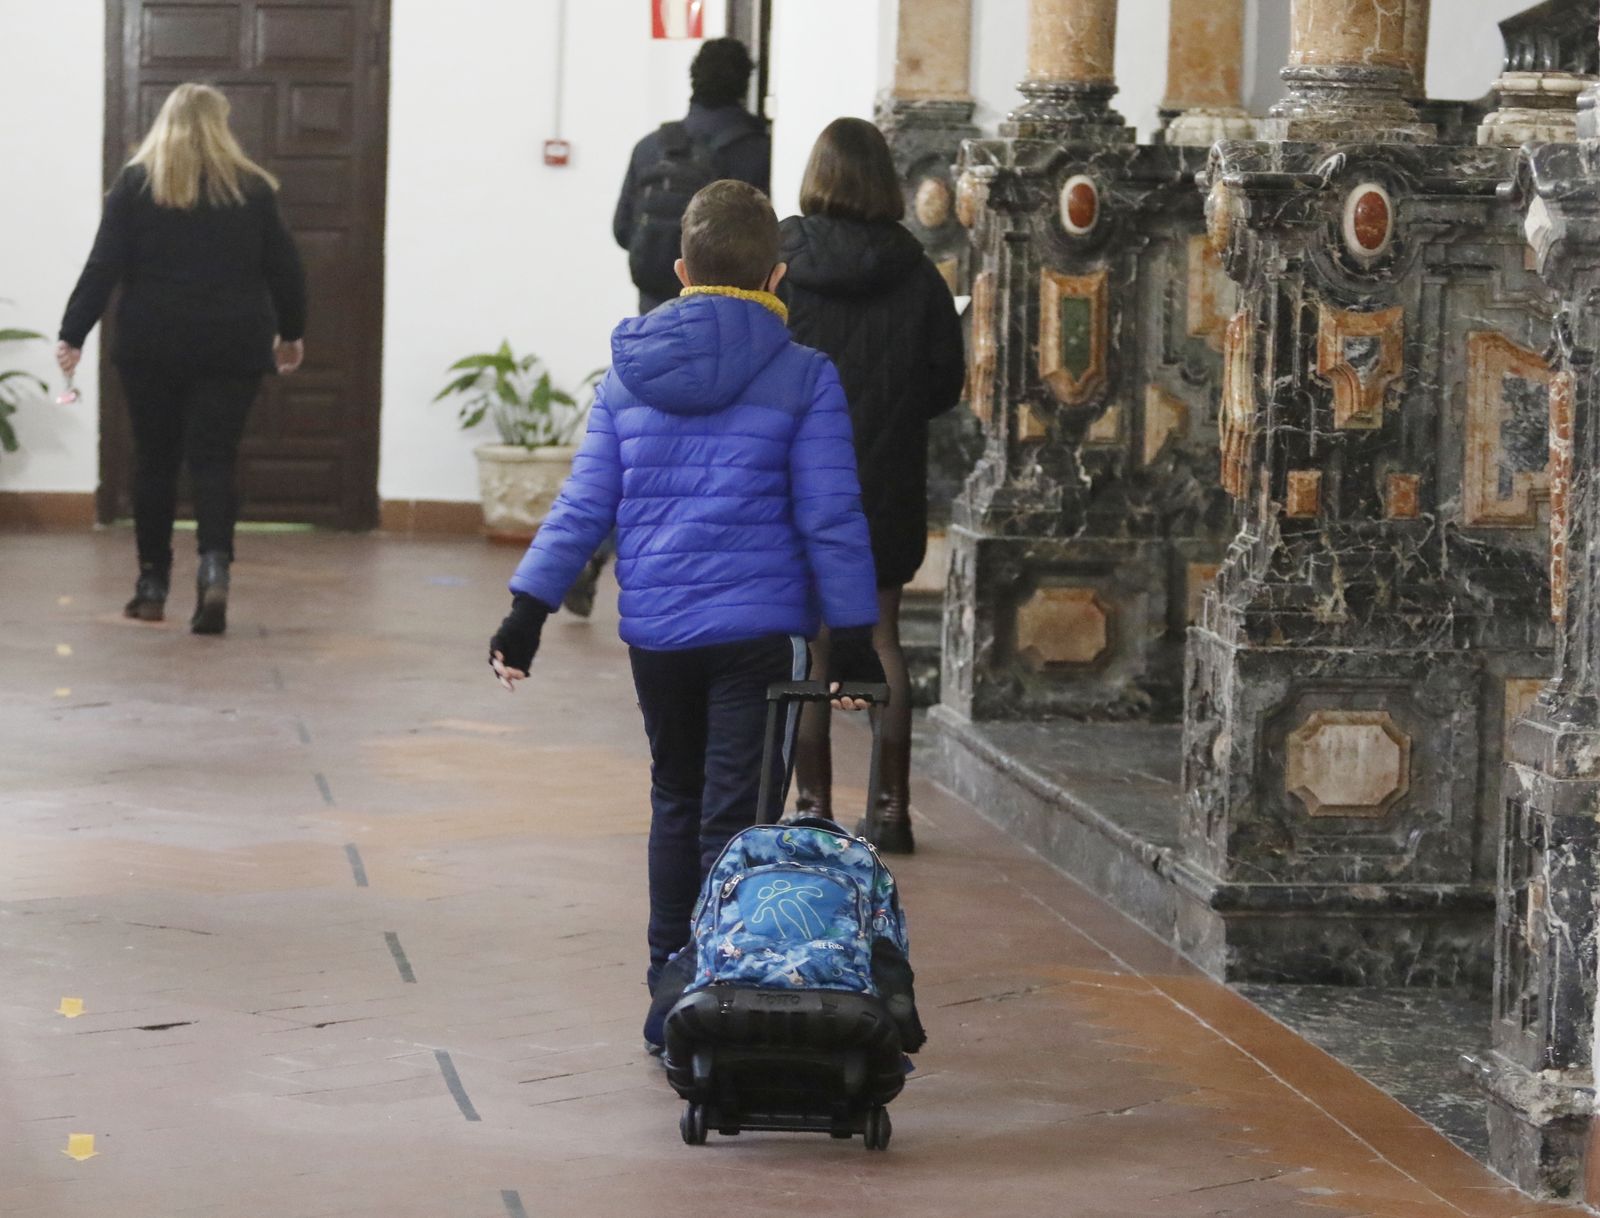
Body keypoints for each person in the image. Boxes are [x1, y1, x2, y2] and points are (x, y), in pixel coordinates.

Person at [487, 180, 886, 1043]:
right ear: (776, 278)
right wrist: (852, 640)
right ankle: (719, 990)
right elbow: (830, 514)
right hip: (760, 634)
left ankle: (671, 982)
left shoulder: (629, 374)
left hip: (660, 632)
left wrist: (528, 610)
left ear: (678, 270)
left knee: (676, 798)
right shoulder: (804, 375)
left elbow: (584, 504)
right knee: (738, 817)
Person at [777, 117, 967, 855]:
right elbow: (944, 383)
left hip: (801, 479)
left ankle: (812, 807)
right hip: (885, 479)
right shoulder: (916, 270)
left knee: (812, 646)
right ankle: (891, 809)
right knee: (882, 634)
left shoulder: (784, 260)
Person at [58, 82, 306, 636]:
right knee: (215, 458)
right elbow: (286, 270)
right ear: (221, 126)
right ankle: (214, 568)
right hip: (233, 343)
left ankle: (151, 585)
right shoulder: (252, 189)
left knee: (155, 460)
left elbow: (103, 265)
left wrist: (73, 332)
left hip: (153, 342)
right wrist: (292, 333)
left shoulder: (135, 184)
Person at [612, 37, 770, 317]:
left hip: (654, 309)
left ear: (693, 80)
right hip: (724, 313)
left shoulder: (650, 147)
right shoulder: (757, 151)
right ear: (745, 84)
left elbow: (622, 230)